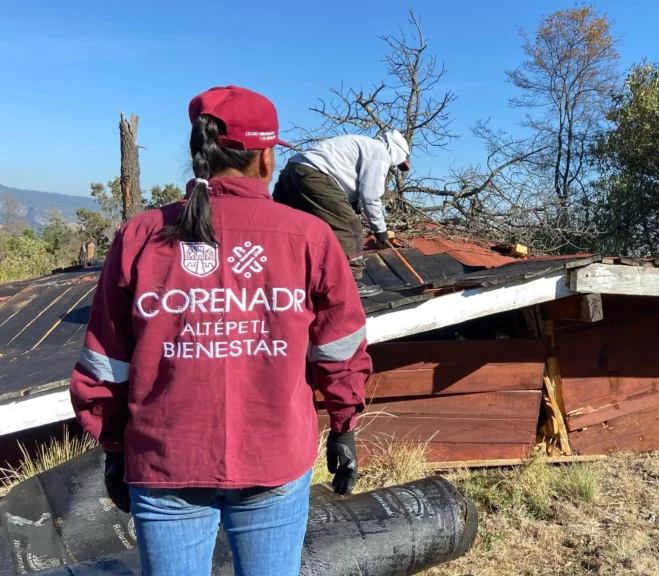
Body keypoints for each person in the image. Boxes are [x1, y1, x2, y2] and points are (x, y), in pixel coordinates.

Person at [69, 85, 372, 576]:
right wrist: (344, 425)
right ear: (267, 159)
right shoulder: (308, 237)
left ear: (201, 154)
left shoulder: (140, 236)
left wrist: (114, 446)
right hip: (273, 457)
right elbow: (339, 350)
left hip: (166, 461)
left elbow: (105, 359)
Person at [273, 131, 411, 298]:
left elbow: (346, 180)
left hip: (293, 169)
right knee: (349, 228)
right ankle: (351, 283)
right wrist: (380, 230)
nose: (394, 166)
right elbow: (371, 196)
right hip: (314, 174)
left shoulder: (364, 145)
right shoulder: (380, 153)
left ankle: (283, 275)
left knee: (291, 226)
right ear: (397, 151)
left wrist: (354, 204)